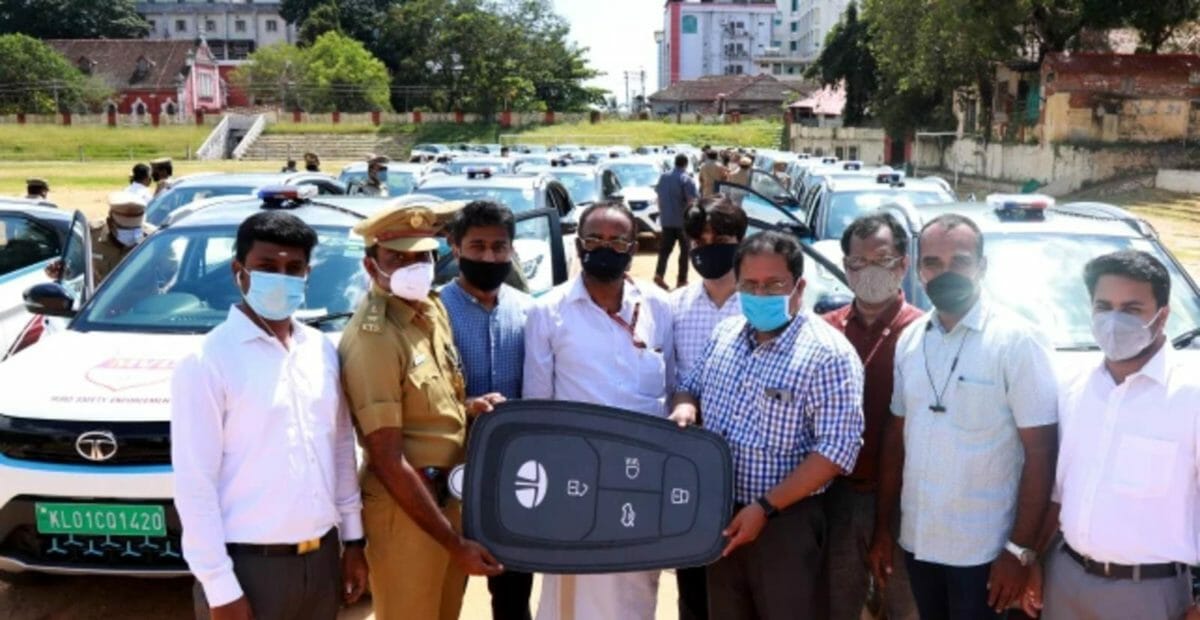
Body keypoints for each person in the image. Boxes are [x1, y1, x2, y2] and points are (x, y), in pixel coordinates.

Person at [172, 211, 368, 620]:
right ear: (238, 271)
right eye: (267, 267)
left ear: (307, 274)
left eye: (293, 268)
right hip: (249, 569)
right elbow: (195, 485)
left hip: (323, 560)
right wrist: (220, 588)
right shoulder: (207, 361)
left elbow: (340, 449)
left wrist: (353, 542)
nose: (281, 277)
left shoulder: (320, 350)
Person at [670, 230, 865, 619]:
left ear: (799, 287)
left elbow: (835, 451)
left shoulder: (828, 354)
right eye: (750, 285)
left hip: (786, 523)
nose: (760, 295)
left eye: (774, 284)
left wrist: (764, 507)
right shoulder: (725, 336)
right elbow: (687, 388)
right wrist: (685, 409)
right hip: (721, 516)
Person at [874, 213, 1058, 619]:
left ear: (982, 267)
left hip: (986, 553)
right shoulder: (911, 340)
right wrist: (884, 528)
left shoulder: (1016, 341)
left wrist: (1019, 550)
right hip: (920, 541)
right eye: (933, 263)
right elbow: (896, 437)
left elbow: (1042, 454)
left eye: (959, 261)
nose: (945, 272)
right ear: (919, 270)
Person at [338, 204, 504, 620]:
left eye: (422, 256)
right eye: (398, 258)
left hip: (446, 503)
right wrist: (453, 542)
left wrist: (467, 410)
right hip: (406, 514)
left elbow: (430, 403)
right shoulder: (374, 336)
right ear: (371, 264)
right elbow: (387, 457)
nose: (414, 267)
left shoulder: (430, 312)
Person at [1021, 250, 1200, 620]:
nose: (1114, 321)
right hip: (1065, 580)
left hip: (1148, 595)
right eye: (1104, 306)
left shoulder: (1190, 396)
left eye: (1131, 309)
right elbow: (1060, 491)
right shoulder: (1074, 386)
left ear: (1162, 316)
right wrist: (1033, 559)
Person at [524, 200, 675, 620]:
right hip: (577, 483)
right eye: (594, 239)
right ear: (578, 244)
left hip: (643, 482)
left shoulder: (659, 307)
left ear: (632, 247)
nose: (605, 248)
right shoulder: (548, 312)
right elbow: (536, 409)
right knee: (572, 600)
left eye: (617, 240)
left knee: (636, 593)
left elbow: (673, 386)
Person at [821, 213, 922, 620]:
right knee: (835, 605)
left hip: (903, 501)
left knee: (905, 607)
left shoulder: (923, 333)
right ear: (845, 267)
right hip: (836, 496)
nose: (869, 272)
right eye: (857, 263)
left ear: (903, 264)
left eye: (881, 260)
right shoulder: (825, 330)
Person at [439, 200, 535, 620]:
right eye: (477, 246)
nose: (489, 256)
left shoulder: (529, 310)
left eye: (500, 247)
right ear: (454, 248)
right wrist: (466, 406)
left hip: (514, 479)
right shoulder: (433, 312)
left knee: (513, 595)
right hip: (447, 474)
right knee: (443, 589)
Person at [668, 195, 747, 620]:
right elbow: (674, 381)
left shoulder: (764, 307)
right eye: (699, 240)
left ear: (741, 241)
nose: (709, 247)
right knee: (695, 591)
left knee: (745, 586)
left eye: (722, 238)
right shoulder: (675, 307)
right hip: (691, 473)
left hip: (752, 474)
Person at [653, 153, 699, 291]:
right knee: (685, 251)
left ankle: (659, 274)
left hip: (666, 220)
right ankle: (681, 280)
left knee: (665, 250)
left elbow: (659, 199)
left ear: (675, 162)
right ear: (686, 164)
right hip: (682, 222)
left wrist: (662, 213)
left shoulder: (663, 177)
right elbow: (691, 201)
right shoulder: (686, 179)